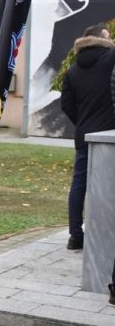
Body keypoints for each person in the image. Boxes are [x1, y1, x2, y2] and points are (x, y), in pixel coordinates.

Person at [60, 24, 115, 250]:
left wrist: (83, 123)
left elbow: (66, 105)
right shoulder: (110, 58)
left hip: (84, 134)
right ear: (101, 39)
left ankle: (75, 235)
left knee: (79, 185)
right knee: (108, 185)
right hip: (109, 135)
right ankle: (103, 235)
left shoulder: (72, 70)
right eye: (109, 36)